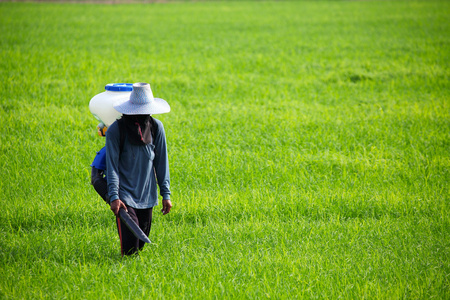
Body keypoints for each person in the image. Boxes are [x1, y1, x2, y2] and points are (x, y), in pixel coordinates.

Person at [105, 82, 172, 256]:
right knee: (130, 248)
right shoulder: (116, 131)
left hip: (147, 196)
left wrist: (166, 194)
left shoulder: (156, 128)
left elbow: (162, 163)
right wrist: (114, 196)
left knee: (141, 243)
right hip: (125, 196)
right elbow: (111, 167)